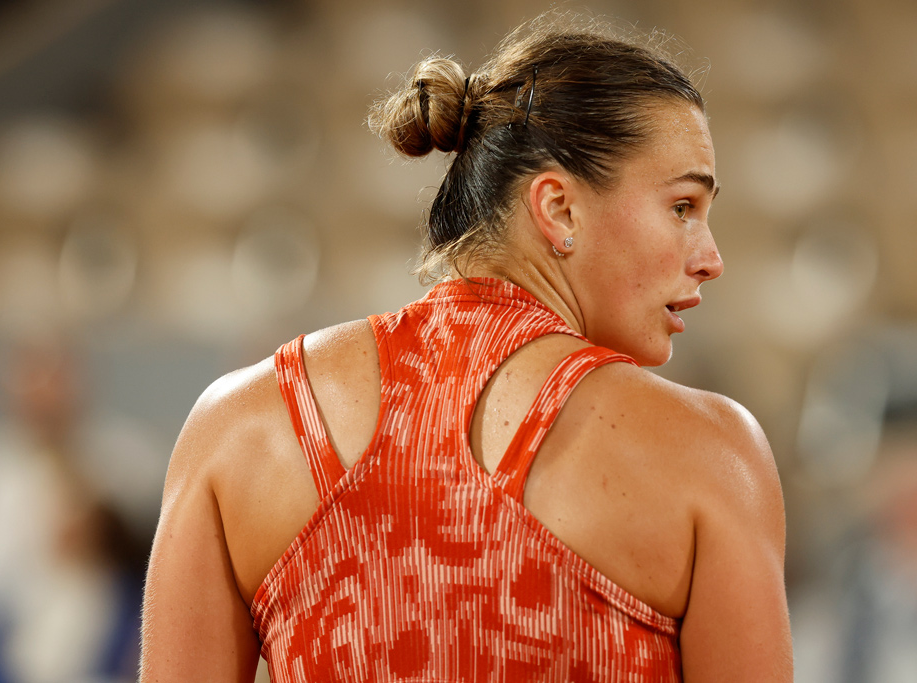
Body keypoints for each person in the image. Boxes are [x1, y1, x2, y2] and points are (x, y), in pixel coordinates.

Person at [140, 14, 792, 682]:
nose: (711, 259)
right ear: (559, 208)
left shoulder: (238, 424)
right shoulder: (710, 453)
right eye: (683, 207)